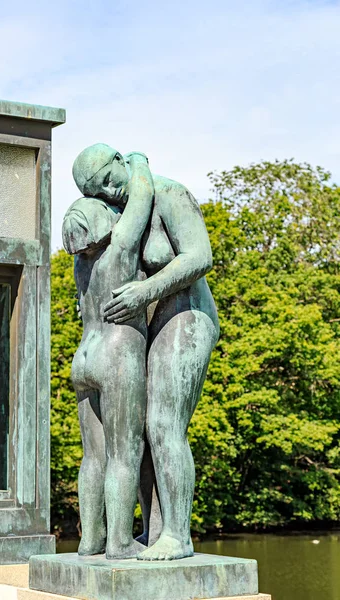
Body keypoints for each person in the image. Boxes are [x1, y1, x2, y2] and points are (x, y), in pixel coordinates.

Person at [73, 143, 220, 561]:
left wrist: (146, 290)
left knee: (162, 423)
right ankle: (153, 530)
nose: (108, 193)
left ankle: (178, 534)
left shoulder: (170, 195)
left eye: (108, 180)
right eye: (97, 192)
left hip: (185, 314)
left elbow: (200, 256)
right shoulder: (119, 219)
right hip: (145, 324)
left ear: (120, 162)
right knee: (134, 429)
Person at [63, 150, 154, 559]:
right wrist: (137, 161)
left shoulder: (82, 265)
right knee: (124, 451)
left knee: (92, 457)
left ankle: (90, 539)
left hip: (84, 357)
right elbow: (142, 196)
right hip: (118, 353)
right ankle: (119, 542)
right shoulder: (118, 248)